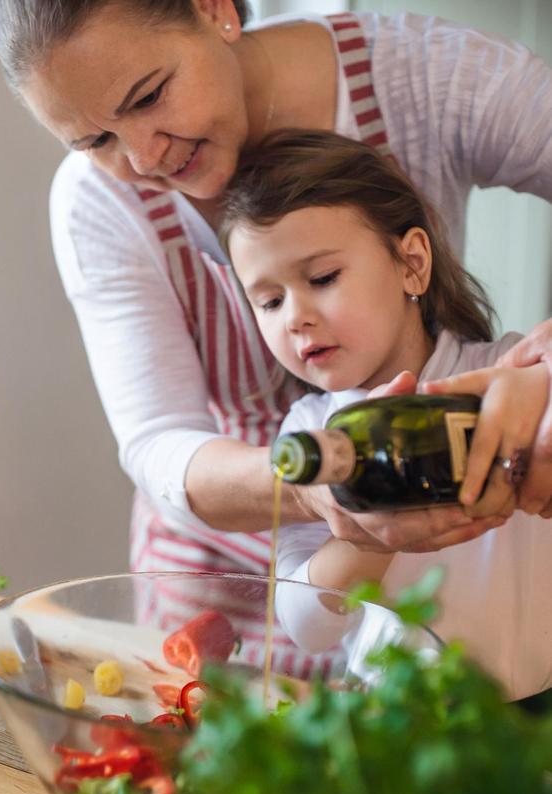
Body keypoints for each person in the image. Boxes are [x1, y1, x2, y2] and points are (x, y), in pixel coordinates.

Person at [0, 0, 552, 575]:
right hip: (219, 571)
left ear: (214, 11)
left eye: (149, 96)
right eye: (94, 142)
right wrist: (318, 486)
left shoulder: (427, 75)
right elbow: (158, 443)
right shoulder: (100, 205)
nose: (144, 156)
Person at [218, 129, 551, 699]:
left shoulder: (507, 373)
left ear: (411, 263)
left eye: (322, 278)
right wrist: (369, 532)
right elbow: (307, 627)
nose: (294, 317)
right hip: (386, 721)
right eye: (269, 301)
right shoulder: (310, 431)